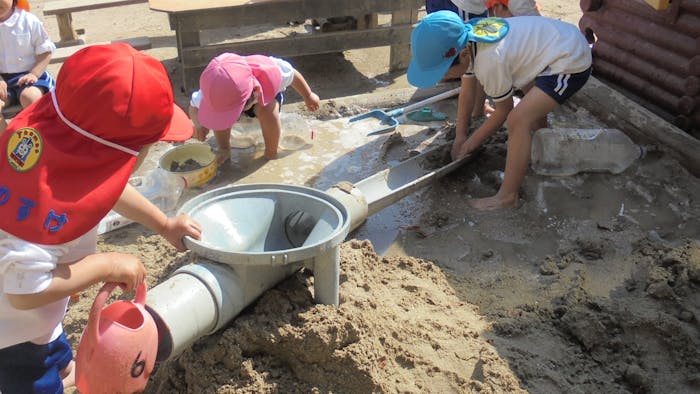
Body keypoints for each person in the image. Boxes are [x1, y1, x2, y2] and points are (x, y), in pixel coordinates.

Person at [0, 43, 203, 393]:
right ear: (117, 154)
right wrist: (104, 266)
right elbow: (25, 290)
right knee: (35, 379)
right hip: (11, 337)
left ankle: (61, 365)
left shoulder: (54, 141)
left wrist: (163, 224)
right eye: (149, 146)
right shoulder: (33, 212)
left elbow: (108, 190)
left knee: (54, 349)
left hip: (35, 322)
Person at [408, 12, 592, 210]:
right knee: (532, 109)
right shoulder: (467, 42)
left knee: (518, 120)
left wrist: (471, 143)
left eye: (442, 72)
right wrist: (460, 136)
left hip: (569, 59)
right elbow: (467, 92)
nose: (440, 79)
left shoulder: (489, 60)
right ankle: (539, 148)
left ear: (462, 55)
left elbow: (504, 110)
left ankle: (507, 196)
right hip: (548, 50)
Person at [188, 53, 321, 164]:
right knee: (219, 121)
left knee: (268, 110)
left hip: (265, 97)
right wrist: (198, 124)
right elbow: (193, 107)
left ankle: (271, 151)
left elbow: (292, 74)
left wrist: (308, 95)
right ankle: (224, 148)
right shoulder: (214, 91)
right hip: (234, 99)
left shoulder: (271, 69)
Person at [0, 0, 56, 134]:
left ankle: (39, 134)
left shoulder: (28, 20)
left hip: (30, 75)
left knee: (30, 97)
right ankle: (7, 141)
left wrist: (34, 74)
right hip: (2, 79)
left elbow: (46, 51)